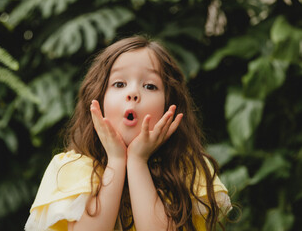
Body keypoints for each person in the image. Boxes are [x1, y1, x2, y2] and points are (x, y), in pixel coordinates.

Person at [24, 36, 232, 231]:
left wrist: (137, 161)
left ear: (171, 106)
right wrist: (116, 160)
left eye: (150, 86)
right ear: (97, 98)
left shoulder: (187, 169)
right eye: (119, 84)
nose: (132, 93)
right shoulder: (71, 168)